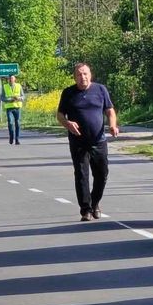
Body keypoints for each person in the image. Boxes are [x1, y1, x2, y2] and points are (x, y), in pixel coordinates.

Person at [57, 62, 119, 221]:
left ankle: (95, 202)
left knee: (102, 174)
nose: (82, 77)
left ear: (90, 75)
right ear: (74, 77)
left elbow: (110, 111)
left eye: (85, 73)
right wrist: (67, 123)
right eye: (79, 74)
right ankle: (85, 209)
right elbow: (60, 115)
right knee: (81, 175)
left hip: (98, 140)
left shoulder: (100, 90)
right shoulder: (69, 93)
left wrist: (112, 125)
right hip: (78, 142)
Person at [2, 74, 25, 145]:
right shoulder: (5, 87)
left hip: (17, 107)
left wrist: (19, 98)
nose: (10, 80)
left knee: (17, 123)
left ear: (15, 79)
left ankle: (17, 139)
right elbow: (2, 98)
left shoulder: (19, 86)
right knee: (10, 123)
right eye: (9, 79)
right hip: (9, 108)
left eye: (12, 78)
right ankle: (11, 137)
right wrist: (10, 100)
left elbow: (23, 96)